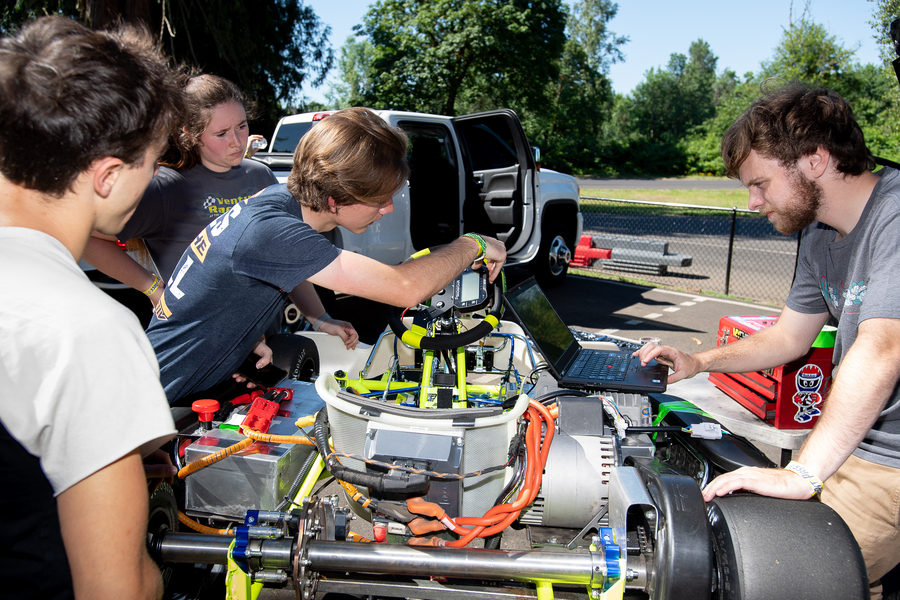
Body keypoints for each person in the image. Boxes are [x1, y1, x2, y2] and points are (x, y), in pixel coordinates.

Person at [635, 81, 900, 599]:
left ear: (816, 160)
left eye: (760, 184)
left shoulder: (895, 216)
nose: (753, 203)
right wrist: (697, 361)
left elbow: (882, 349)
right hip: (852, 446)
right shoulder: (821, 231)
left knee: (784, 580)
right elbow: (789, 336)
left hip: (891, 462)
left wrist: (802, 473)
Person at [147, 106, 506, 404]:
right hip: (162, 398)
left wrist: (310, 321)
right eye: (379, 199)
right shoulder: (272, 230)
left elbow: (275, 274)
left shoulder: (277, 204)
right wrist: (473, 242)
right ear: (335, 200)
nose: (388, 209)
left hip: (191, 378)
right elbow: (406, 287)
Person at [0, 16, 183, 600]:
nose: (152, 180)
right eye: (151, 163)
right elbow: (116, 588)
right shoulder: (85, 328)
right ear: (108, 175)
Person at [82, 74, 279, 306]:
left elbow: (284, 250)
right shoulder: (166, 187)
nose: (237, 141)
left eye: (242, 126)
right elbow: (88, 236)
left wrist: (319, 318)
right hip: (200, 335)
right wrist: (153, 289)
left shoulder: (261, 175)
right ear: (190, 133)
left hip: (269, 330)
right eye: (221, 133)